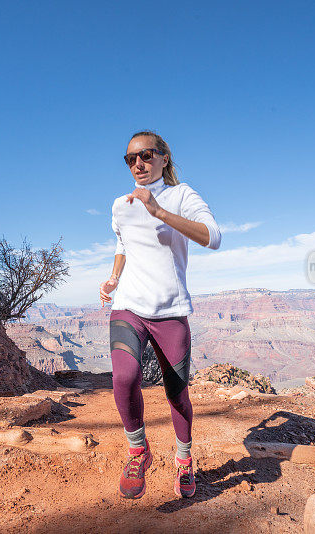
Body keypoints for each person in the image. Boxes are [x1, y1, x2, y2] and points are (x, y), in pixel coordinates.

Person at [99, 130, 221, 499]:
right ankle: (138, 450)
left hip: (170, 311)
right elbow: (123, 243)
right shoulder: (120, 204)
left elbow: (213, 236)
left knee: (176, 393)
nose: (138, 163)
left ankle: (184, 459)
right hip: (129, 304)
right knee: (125, 377)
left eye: (147, 155)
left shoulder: (182, 195)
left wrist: (158, 211)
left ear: (164, 158)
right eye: (130, 158)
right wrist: (113, 277)